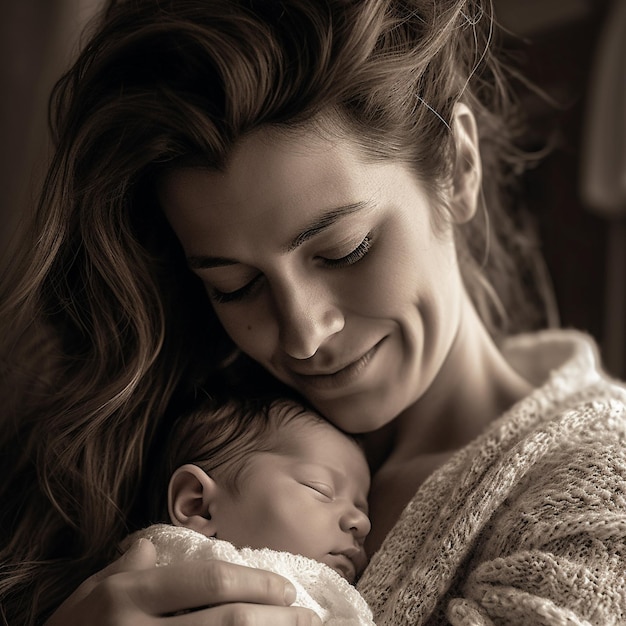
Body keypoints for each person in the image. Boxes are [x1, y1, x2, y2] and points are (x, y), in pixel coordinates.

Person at [1, 0, 625, 624]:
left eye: (344, 251)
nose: (303, 335)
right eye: (235, 286)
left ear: (458, 170)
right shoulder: (180, 442)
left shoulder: (602, 486)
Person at [124, 393, 374, 624]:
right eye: (321, 490)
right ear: (198, 506)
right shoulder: (153, 582)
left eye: (362, 506)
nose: (362, 522)